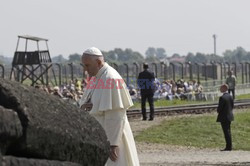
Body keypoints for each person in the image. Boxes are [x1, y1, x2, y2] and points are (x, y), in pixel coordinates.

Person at [79, 47, 139, 166]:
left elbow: (116, 115)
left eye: (87, 65)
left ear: (98, 62)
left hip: (111, 137)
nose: (85, 70)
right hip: (99, 136)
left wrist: (113, 144)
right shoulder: (97, 77)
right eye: (83, 66)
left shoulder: (110, 78)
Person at [216, 84, 234, 151]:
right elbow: (232, 106)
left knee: (226, 132)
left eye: (221, 88)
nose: (220, 89)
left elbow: (219, 108)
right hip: (229, 116)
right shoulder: (230, 96)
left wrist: (218, 111)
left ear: (224, 88)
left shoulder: (222, 98)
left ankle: (228, 146)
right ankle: (230, 145)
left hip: (224, 117)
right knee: (228, 131)